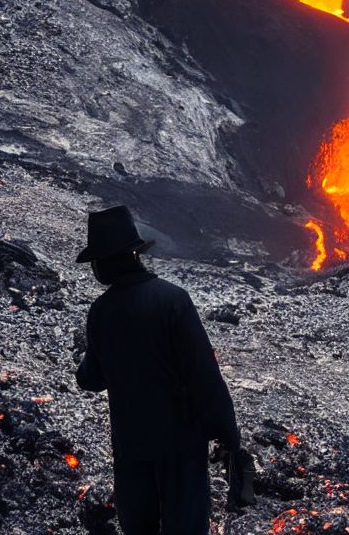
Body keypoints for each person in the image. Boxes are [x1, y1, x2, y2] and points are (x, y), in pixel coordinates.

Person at [75, 205, 240, 534]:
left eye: (97, 261)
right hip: (180, 444)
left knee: (139, 527)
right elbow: (203, 375)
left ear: (109, 262)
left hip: (131, 446)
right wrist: (227, 433)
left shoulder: (102, 312)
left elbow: (91, 379)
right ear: (133, 254)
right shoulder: (173, 301)